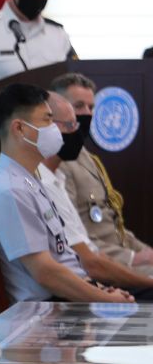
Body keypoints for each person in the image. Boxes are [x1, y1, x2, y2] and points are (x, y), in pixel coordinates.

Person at [0, 83, 133, 304]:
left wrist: (99, 289)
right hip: (48, 315)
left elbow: (63, 258)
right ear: (19, 129)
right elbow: (45, 272)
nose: (55, 129)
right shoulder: (10, 190)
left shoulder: (29, 180)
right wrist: (105, 299)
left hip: (67, 302)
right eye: (47, 120)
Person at [38, 93, 153, 294]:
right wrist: (145, 280)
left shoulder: (61, 175)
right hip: (76, 293)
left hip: (97, 277)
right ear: (48, 125)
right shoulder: (44, 182)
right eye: (70, 124)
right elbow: (88, 263)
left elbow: (96, 247)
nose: (85, 118)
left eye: (90, 107)